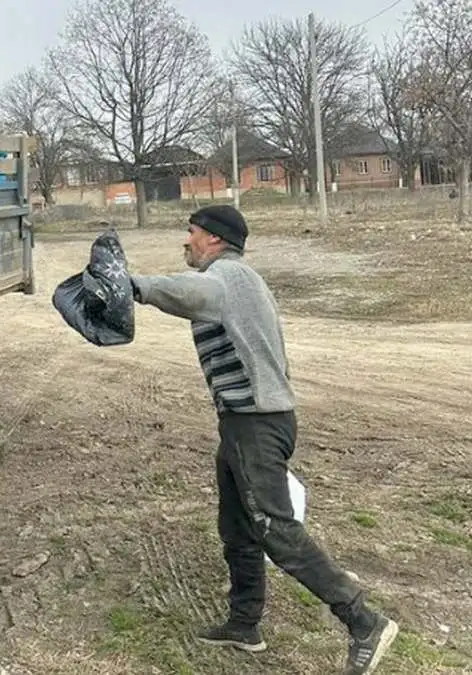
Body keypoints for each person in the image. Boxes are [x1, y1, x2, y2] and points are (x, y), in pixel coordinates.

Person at [128, 204, 398, 675]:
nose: (185, 241)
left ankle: (363, 621)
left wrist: (134, 286)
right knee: (238, 527)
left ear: (212, 239)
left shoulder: (228, 277)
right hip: (242, 423)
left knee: (277, 532)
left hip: (256, 423)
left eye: (190, 233)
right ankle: (244, 623)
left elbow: (187, 292)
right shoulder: (232, 280)